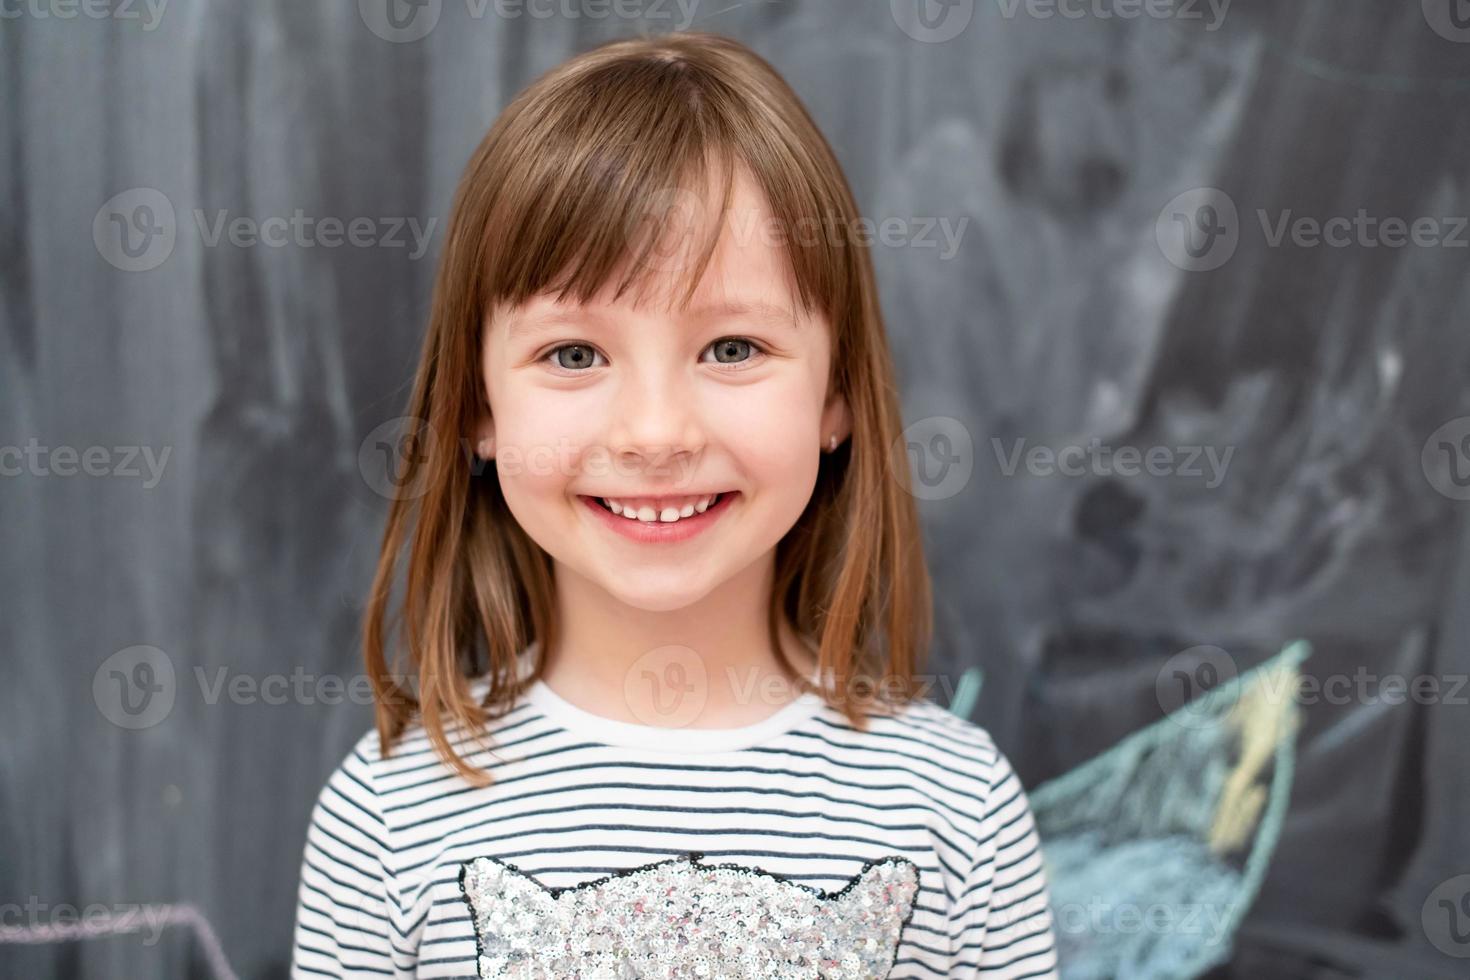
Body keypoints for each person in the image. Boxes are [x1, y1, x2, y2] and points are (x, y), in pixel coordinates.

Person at [290, 30, 1059, 979]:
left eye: (732, 349)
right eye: (574, 355)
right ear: (478, 408)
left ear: (836, 398)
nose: (656, 434)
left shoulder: (951, 812)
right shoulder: (391, 815)